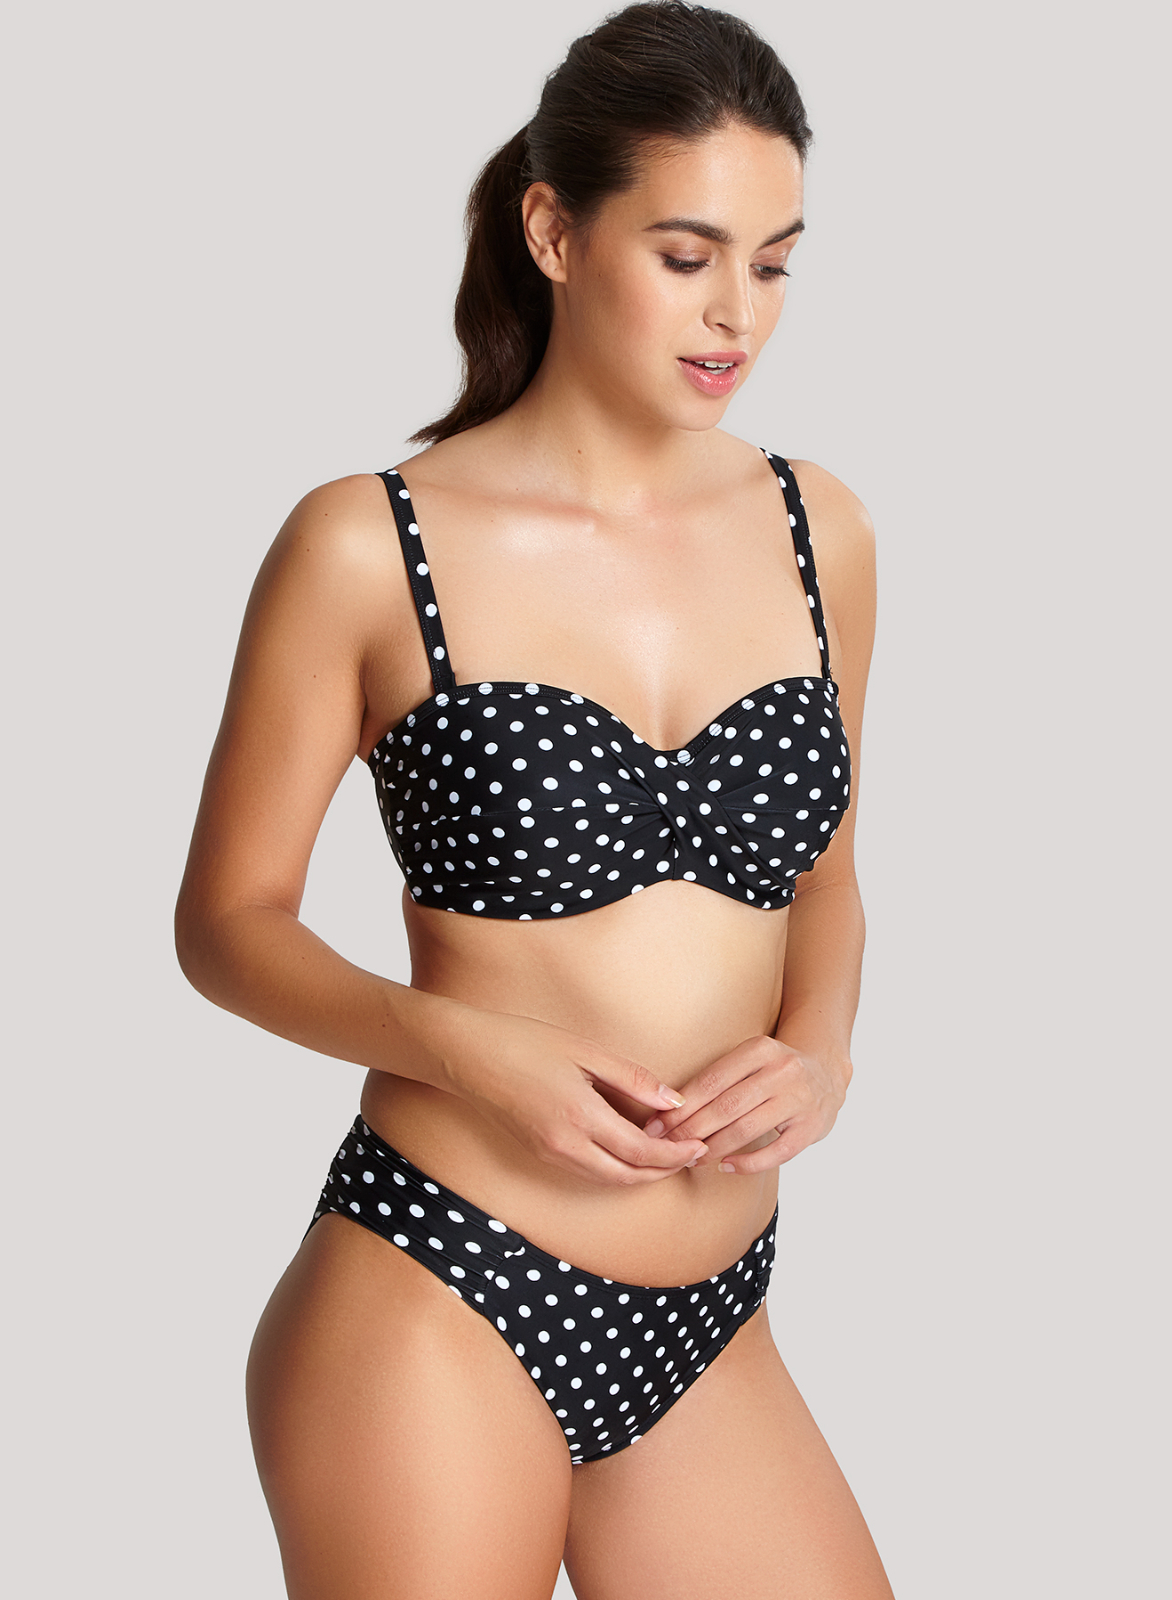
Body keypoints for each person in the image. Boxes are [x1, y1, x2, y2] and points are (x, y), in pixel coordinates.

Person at [175, 3, 891, 1594]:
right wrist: (465, 1047)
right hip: (441, 1285)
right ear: (554, 231)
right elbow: (226, 924)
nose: (738, 313)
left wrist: (822, 1051)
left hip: (714, 1322)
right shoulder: (368, 545)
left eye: (776, 263)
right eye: (687, 255)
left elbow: (827, 876)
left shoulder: (818, 528)